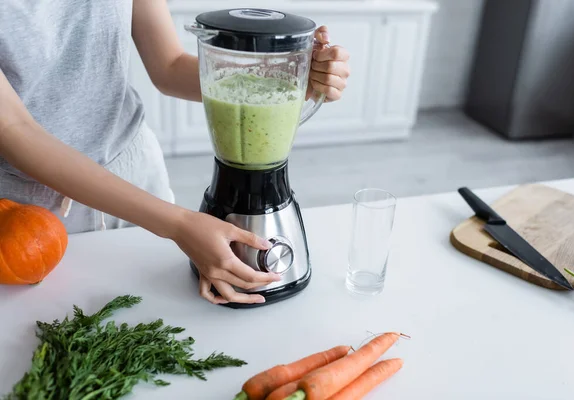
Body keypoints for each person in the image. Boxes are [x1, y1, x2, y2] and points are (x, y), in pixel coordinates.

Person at [0, 1, 350, 305]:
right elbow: (15, 130)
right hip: (28, 220)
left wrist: (292, 77)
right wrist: (179, 224)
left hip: (135, 173)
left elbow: (167, 65)